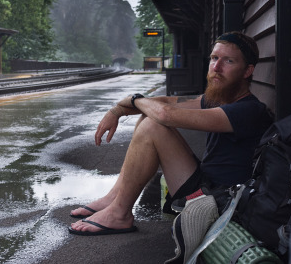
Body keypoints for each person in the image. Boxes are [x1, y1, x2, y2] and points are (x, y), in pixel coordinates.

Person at [68, 32, 272, 240]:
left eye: (228, 61)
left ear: (247, 70)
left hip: (220, 203)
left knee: (153, 124)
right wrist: (117, 110)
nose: (216, 67)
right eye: (214, 58)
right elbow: (163, 103)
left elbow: (165, 115)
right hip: (207, 185)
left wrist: (134, 99)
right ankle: (113, 199)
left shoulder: (249, 111)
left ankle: (119, 214)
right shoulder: (217, 100)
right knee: (149, 116)